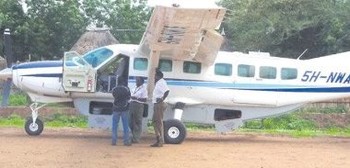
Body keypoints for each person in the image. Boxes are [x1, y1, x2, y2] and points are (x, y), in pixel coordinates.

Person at [151, 69, 170, 147]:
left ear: (158, 76)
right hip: (157, 104)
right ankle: (158, 139)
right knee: (155, 121)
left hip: (159, 104)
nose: (154, 77)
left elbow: (167, 91)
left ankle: (160, 141)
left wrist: (162, 98)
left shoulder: (161, 82)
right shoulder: (159, 82)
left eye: (155, 76)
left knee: (158, 122)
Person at [111, 77, 131, 146]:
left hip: (116, 108)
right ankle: (126, 141)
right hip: (124, 109)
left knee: (114, 126)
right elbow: (129, 97)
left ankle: (114, 141)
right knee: (125, 125)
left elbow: (113, 96)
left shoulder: (114, 89)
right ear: (124, 82)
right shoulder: (126, 89)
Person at [129, 76, 148, 143]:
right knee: (130, 122)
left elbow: (145, 99)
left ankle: (136, 138)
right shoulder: (134, 88)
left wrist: (136, 98)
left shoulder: (144, 89)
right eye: (136, 80)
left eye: (138, 80)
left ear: (141, 82)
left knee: (137, 122)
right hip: (132, 105)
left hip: (138, 105)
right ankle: (134, 135)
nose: (136, 81)